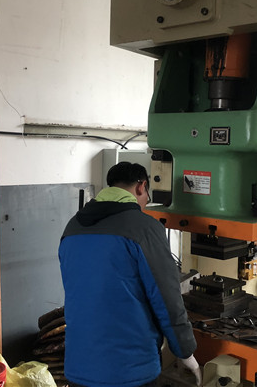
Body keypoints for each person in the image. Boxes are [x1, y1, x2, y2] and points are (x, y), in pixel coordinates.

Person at [59, 161, 201, 387]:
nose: (145, 202)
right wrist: (185, 351)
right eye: (146, 195)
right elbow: (167, 298)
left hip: (79, 366)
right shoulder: (144, 228)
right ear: (141, 187)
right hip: (129, 370)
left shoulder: (72, 227)